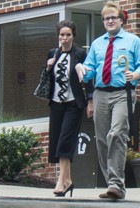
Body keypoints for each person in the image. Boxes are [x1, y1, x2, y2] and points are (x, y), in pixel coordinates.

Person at [77, 1, 140, 201]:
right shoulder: (97, 44)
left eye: (113, 18)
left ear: (121, 20)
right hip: (101, 93)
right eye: (106, 18)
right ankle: (112, 182)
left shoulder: (133, 41)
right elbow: (90, 70)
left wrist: (135, 74)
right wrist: (81, 69)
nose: (110, 21)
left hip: (122, 93)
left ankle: (116, 184)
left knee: (117, 133)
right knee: (102, 139)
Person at [46, 19, 90, 197]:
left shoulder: (80, 54)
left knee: (65, 140)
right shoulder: (53, 53)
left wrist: (90, 100)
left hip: (73, 103)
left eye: (68, 35)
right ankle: (69, 181)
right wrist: (48, 67)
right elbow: (46, 79)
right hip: (56, 103)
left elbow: (88, 78)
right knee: (57, 140)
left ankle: (60, 181)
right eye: (62, 35)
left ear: (73, 36)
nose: (64, 38)